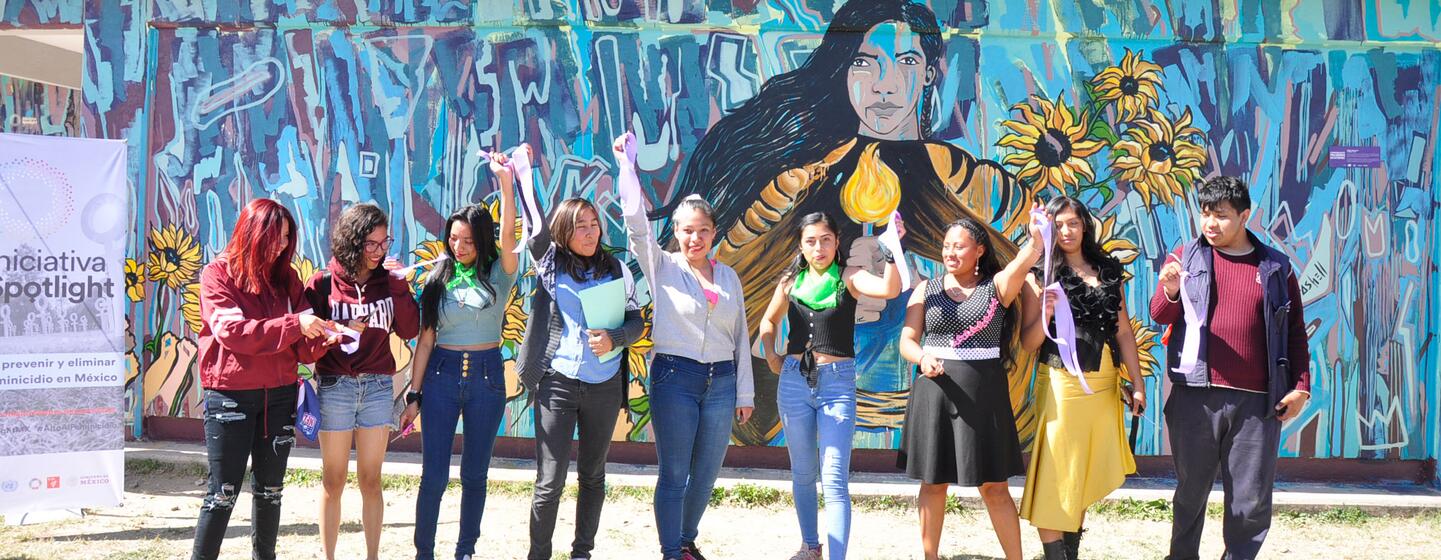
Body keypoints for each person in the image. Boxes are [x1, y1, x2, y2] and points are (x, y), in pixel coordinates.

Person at [663, 0, 1031, 445]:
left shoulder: (968, 184)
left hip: (935, 390)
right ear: (845, 71)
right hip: (816, 385)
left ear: (931, 72)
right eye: (866, 62)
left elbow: (1010, 275)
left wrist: (918, 281)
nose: (886, 85)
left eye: (907, 61)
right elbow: (749, 290)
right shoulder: (799, 185)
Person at [1151, 176, 1310, 560]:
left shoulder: (1276, 267)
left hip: (1257, 403)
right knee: (1190, 494)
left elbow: (1294, 333)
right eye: (1205, 214)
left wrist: (1301, 387)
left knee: (1249, 501)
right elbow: (1160, 312)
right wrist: (1170, 290)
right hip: (1194, 397)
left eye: (1221, 216)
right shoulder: (1185, 256)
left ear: (1244, 216)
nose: (1210, 224)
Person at [612, 133, 754, 560]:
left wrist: (744, 392)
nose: (695, 239)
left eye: (703, 231)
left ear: (714, 233)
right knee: (675, 473)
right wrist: (627, 167)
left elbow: (741, 337)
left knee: (707, 473)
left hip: (722, 382)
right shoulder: (662, 267)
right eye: (687, 231)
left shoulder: (729, 277)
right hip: (675, 377)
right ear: (675, 232)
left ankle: (686, 539)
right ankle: (671, 551)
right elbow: (637, 224)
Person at [191, 198, 339, 560]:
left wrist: (322, 339)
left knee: (271, 491)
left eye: (287, 238)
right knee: (222, 493)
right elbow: (233, 332)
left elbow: (301, 348)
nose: (281, 246)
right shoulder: (218, 274)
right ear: (251, 233)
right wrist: (295, 325)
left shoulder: (287, 279)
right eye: (274, 237)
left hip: (282, 395)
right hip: (230, 398)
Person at [897, 207, 1045, 560]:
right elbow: (907, 341)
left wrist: (1037, 236)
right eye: (947, 245)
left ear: (979, 250)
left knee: (994, 486)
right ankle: (930, 556)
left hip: (983, 396)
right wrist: (922, 358)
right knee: (933, 483)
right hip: (934, 396)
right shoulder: (924, 290)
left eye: (960, 246)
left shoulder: (998, 287)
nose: (951, 253)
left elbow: (1025, 260)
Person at [757, 212, 903, 560]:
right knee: (803, 472)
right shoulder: (790, 281)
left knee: (834, 477)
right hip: (794, 382)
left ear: (837, 241)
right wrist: (773, 356)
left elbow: (890, 289)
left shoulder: (849, 277)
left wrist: (894, 251)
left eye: (825, 239)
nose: (818, 247)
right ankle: (810, 547)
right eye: (810, 241)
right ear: (801, 245)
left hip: (837, 385)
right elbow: (768, 319)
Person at [403, 147, 522, 560]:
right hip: (440, 376)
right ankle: (424, 552)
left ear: (481, 240)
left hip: (488, 377)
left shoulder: (499, 274)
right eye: (453, 238)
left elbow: (509, 236)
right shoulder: (438, 278)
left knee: (475, 474)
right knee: (433, 475)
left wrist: (505, 181)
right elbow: (426, 340)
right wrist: (413, 394)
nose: (459, 246)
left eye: (468, 240)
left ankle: (465, 550)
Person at [1018, 196, 1148, 560]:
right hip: (1061, 382)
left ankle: (1070, 551)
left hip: (1104, 383)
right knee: (1056, 471)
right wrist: (1043, 314)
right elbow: (1028, 343)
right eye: (1058, 224)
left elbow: (1122, 332)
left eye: (1073, 222)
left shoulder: (1107, 269)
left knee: (1083, 471)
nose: (1066, 231)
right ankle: (1056, 555)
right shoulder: (1039, 274)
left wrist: (1136, 383)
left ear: (1085, 225)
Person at [518, 195, 645, 560]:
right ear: (564, 232)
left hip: (603, 386)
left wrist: (615, 338)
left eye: (594, 224)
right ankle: (538, 555)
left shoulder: (617, 269)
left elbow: (636, 321)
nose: (590, 233)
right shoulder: (551, 265)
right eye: (580, 226)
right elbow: (534, 227)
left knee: (592, 475)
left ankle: (581, 553)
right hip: (557, 383)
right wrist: (518, 175)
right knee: (550, 481)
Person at [305, 202, 421, 560]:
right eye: (370, 243)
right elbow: (306, 342)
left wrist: (400, 288)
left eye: (384, 243)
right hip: (335, 385)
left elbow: (410, 329)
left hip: (376, 387)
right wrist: (328, 335)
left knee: (371, 480)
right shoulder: (323, 283)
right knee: (333, 479)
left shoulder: (388, 282)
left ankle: (372, 556)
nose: (378, 251)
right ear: (352, 242)